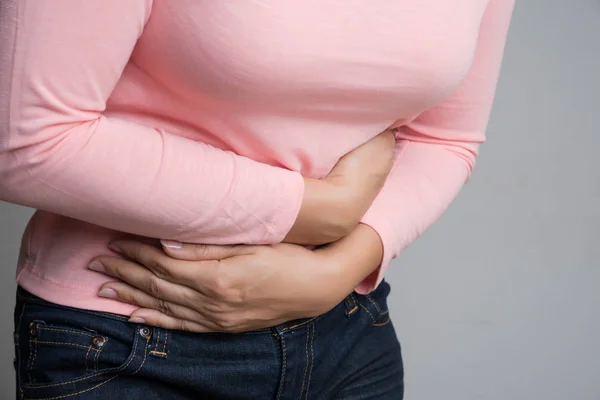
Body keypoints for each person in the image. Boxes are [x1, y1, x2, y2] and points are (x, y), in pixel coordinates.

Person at [0, 1, 514, 399]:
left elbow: (444, 139)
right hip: (129, 330)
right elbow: (24, 144)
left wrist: (337, 270)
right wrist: (317, 210)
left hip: (347, 332)